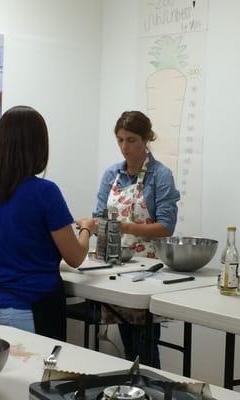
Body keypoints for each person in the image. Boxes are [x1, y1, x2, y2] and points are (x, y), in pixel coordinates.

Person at [0, 105, 96, 340]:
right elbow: (75, 257)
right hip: (37, 304)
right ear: (38, 147)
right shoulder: (45, 192)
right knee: (42, 374)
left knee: (6, 374)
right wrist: (87, 229)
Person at [96, 110, 180, 368]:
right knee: (127, 343)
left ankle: (150, 390)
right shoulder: (112, 174)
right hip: (115, 265)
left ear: (146, 139)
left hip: (147, 269)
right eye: (120, 140)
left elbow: (166, 227)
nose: (124, 147)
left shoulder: (160, 175)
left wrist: (126, 227)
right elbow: (99, 216)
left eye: (131, 140)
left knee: (145, 348)